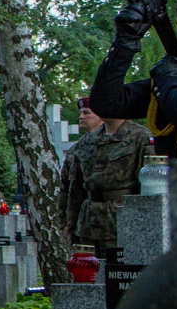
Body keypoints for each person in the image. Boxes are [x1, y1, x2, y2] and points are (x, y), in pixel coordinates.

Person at [91, 0, 177, 162]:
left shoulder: (170, 80)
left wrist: (169, 76)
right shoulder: (171, 82)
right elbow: (107, 104)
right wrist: (124, 43)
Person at [60, 95, 148, 252]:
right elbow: (75, 187)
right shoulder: (87, 141)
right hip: (88, 225)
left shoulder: (141, 138)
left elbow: (149, 187)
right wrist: (69, 224)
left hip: (123, 223)